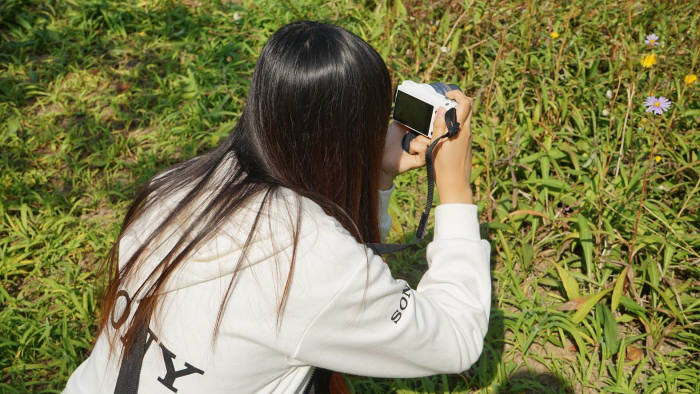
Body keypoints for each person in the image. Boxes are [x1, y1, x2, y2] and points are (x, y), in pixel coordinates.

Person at [64, 20, 491, 393]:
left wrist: (376, 175)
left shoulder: (176, 187)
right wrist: (454, 190)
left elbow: (337, 259)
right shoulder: (308, 261)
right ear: (352, 132)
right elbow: (456, 338)